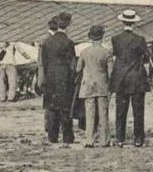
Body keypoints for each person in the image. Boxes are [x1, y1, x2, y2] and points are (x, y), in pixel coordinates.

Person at [111, 9, 150, 147]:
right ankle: (138, 139)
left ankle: (120, 138)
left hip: (121, 79)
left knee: (121, 111)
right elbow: (146, 59)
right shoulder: (140, 40)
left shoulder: (115, 39)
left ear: (122, 22)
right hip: (137, 78)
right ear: (134, 23)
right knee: (138, 110)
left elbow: (116, 57)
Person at [39, 16, 77, 144]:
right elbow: (73, 64)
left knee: (51, 107)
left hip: (50, 77)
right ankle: (67, 136)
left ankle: (52, 136)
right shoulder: (69, 43)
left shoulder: (46, 42)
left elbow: (43, 63)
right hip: (65, 78)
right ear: (67, 26)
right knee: (65, 108)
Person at [77, 25, 113, 148]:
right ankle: (104, 140)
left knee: (89, 113)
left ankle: (89, 140)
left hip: (88, 85)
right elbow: (110, 73)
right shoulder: (107, 53)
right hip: (102, 84)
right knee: (103, 114)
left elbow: (78, 68)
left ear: (90, 37)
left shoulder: (84, 52)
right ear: (102, 37)